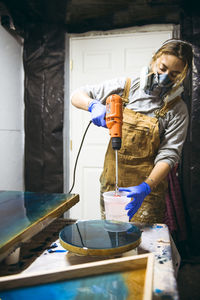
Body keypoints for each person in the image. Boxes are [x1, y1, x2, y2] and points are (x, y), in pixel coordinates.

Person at [71, 39, 193, 224]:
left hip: (147, 191)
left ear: (182, 76)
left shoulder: (177, 109)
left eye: (175, 74)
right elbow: (77, 95)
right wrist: (93, 105)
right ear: (154, 60)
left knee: (145, 243)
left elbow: (169, 155)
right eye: (162, 68)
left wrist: (145, 187)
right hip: (112, 185)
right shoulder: (126, 88)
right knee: (113, 237)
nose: (165, 77)